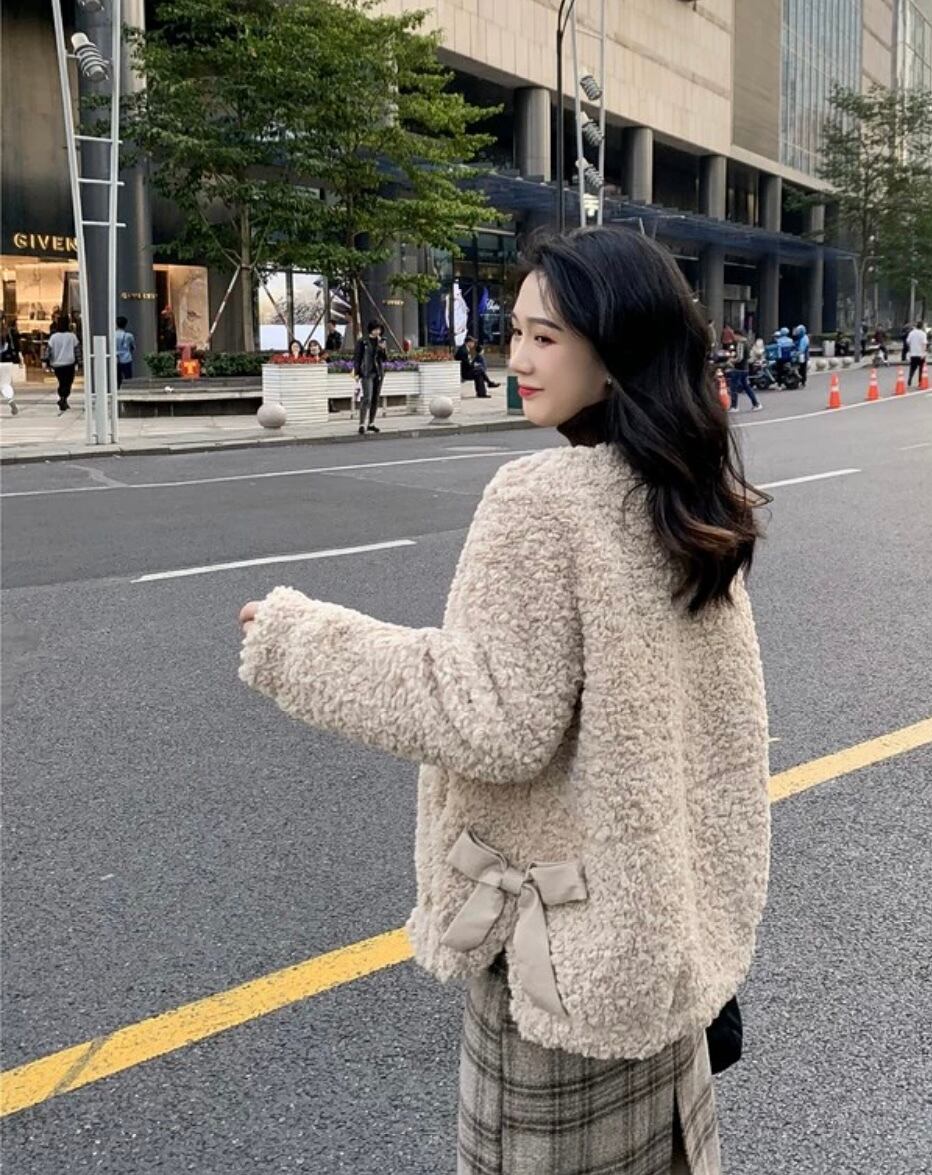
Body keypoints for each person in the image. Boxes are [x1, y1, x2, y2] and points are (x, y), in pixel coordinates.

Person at [238, 227, 771, 1175]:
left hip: (559, 956)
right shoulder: (686, 497)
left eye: (546, 337)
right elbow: (724, 741)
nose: (517, 357)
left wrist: (297, 641)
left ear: (617, 349)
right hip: (657, 951)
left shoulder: (542, 497)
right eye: (514, 331)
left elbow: (490, 717)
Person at [353, 319, 387, 435]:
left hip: (378, 372)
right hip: (366, 372)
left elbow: (384, 358)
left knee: (375, 398)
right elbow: (357, 358)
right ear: (371, 329)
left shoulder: (381, 341)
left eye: (379, 330)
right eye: (375, 329)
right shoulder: (363, 341)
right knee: (367, 397)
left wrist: (382, 349)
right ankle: (362, 423)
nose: (378, 332)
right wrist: (357, 373)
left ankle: (371, 423)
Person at [46, 315, 80, 412]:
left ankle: (62, 397)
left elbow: (48, 350)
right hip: (69, 363)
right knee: (68, 382)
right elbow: (77, 350)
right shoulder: (72, 337)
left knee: (61, 381)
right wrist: (79, 361)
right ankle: (64, 398)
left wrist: (46, 361)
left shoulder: (53, 337)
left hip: (57, 364)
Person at [727, 330, 762, 412]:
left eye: (734, 335)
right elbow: (749, 356)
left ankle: (734, 406)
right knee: (746, 387)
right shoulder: (747, 343)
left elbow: (739, 357)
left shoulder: (740, 344)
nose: (734, 337)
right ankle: (756, 404)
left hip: (738, 369)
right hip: (745, 368)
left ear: (738, 335)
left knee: (733, 388)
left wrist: (731, 361)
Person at [0, 321, 21, 415]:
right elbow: (17, 346)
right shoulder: (9, 333)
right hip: (7, 361)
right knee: (5, 384)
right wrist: (19, 358)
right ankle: (10, 400)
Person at [115, 316, 136, 388]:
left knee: (117, 378)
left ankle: (118, 390)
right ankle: (128, 389)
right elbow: (133, 347)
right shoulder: (129, 336)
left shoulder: (113, 335)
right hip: (127, 358)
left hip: (116, 359)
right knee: (128, 377)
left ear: (116, 324)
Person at [906, 320, 927, 386]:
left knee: (912, 368)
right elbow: (924, 344)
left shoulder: (911, 333)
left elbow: (908, 342)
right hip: (920, 354)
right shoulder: (923, 334)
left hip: (913, 354)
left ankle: (910, 378)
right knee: (921, 369)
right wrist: (923, 353)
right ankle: (920, 382)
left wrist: (910, 350)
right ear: (922, 326)